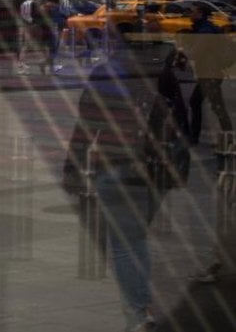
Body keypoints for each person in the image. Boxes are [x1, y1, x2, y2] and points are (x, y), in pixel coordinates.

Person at [64, 44, 177, 332]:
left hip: (117, 165)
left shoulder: (104, 75)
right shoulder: (161, 73)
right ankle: (142, 307)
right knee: (135, 238)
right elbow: (179, 120)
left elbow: (86, 126)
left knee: (127, 244)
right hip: (156, 169)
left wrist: (73, 169)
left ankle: (139, 314)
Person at [182, 4, 233, 146]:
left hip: (210, 73)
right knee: (209, 105)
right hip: (210, 72)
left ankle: (197, 138)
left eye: (192, 11)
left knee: (214, 106)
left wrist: (183, 52)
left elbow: (197, 52)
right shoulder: (205, 28)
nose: (190, 14)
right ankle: (197, 137)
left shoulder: (205, 31)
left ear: (200, 13)